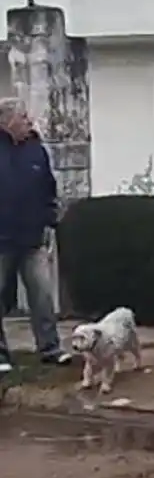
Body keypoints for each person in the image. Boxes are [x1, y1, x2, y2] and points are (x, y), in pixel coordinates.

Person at [0, 97, 71, 373]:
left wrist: (51, 218)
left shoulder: (36, 150)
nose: (29, 122)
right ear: (6, 122)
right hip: (1, 238)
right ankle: (2, 355)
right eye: (23, 117)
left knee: (41, 294)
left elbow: (48, 187)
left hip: (32, 236)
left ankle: (50, 348)